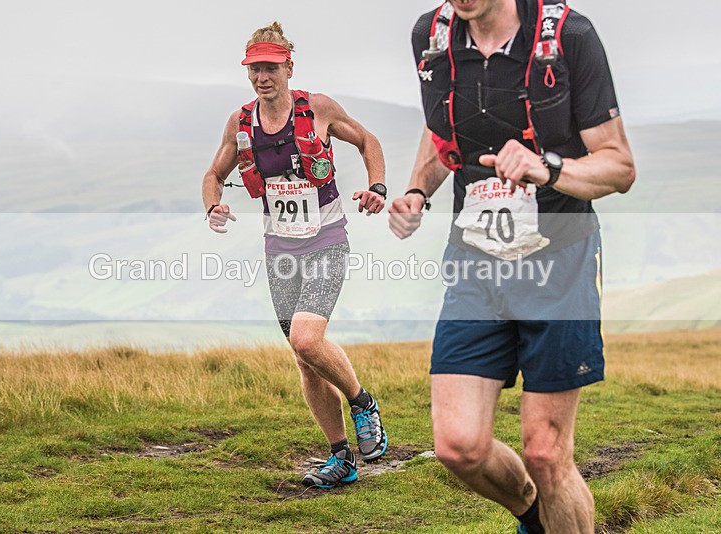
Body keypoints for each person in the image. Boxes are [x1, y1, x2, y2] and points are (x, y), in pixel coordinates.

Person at [390, 1, 635, 532]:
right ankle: (536, 517)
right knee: (458, 446)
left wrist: (546, 167)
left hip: (559, 261)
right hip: (477, 261)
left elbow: (619, 167)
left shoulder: (569, 35)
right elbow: (441, 133)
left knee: (546, 454)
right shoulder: (431, 36)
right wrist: (416, 191)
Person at [202, 22, 389, 489]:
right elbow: (213, 172)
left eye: (270, 67)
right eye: (254, 69)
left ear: (289, 67)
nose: (262, 77)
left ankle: (362, 401)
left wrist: (378, 187)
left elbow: (369, 141)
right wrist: (214, 206)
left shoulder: (317, 109)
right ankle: (341, 457)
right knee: (304, 358)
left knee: (307, 338)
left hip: (326, 240)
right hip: (279, 251)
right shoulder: (240, 123)